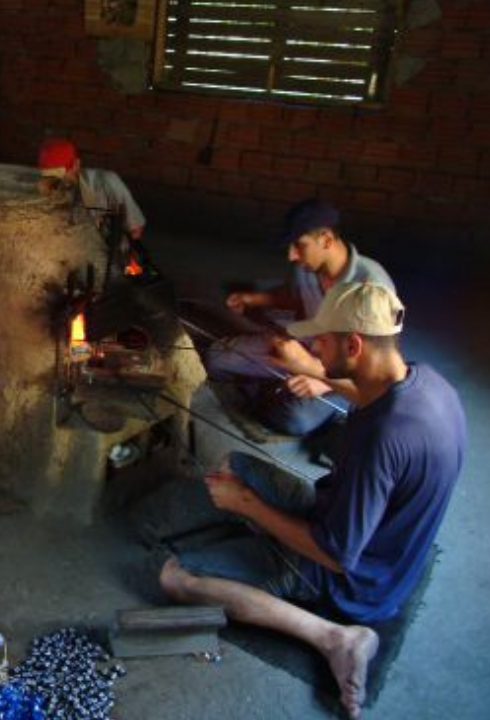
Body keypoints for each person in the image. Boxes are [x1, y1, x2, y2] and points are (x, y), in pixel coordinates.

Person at [158, 281, 466, 718]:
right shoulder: (425, 382)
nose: (314, 346)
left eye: (322, 340)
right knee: (234, 462)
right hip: (384, 548)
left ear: (355, 343)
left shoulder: (382, 439)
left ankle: (334, 638)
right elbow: (365, 397)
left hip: (351, 579)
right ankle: (266, 538)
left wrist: (248, 504)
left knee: (176, 577)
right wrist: (316, 371)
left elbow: (336, 554)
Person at [203, 198, 395, 436]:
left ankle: (324, 402)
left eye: (299, 245)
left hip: (341, 372)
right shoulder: (307, 267)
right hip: (302, 348)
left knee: (294, 419)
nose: (292, 255)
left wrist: (323, 381)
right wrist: (255, 299)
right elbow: (295, 297)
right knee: (215, 358)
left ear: (326, 239)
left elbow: (379, 367)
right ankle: (277, 385)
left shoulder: (374, 285)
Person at [36, 138, 155, 278]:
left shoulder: (108, 183)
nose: (55, 185)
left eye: (59, 177)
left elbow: (135, 229)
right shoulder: (44, 188)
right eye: (48, 179)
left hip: (107, 256)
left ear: (76, 165)